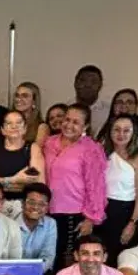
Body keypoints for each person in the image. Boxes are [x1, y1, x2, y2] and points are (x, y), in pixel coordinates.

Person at [43, 104, 106, 262]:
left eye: (76, 122)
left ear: (85, 126)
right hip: (47, 212)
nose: (69, 125)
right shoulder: (49, 143)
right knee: (50, 260)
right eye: (67, 119)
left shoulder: (91, 148)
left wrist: (90, 219)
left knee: (68, 262)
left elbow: (96, 186)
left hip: (75, 214)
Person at [98, 113, 138, 255]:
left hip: (125, 212)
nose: (121, 134)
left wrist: (132, 222)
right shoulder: (102, 153)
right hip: (101, 209)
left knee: (119, 254)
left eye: (126, 130)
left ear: (133, 133)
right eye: (117, 129)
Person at [20, 184, 60, 270]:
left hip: (37, 272)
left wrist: (32, 273)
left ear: (47, 208)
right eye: (31, 202)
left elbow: (48, 257)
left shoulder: (50, 224)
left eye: (42, 204)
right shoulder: (10, 223)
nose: (35, 207)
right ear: (22, 203)